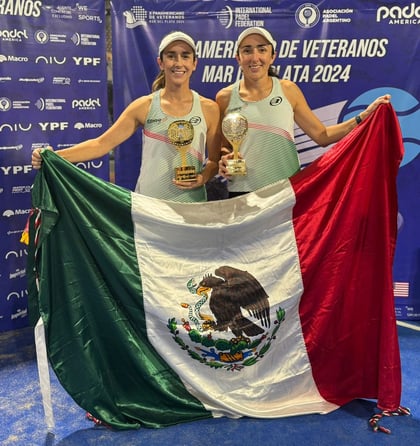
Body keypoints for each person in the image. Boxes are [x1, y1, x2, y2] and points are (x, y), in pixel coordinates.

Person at [32, 31, 221, 203]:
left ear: (194, 63)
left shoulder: (209, 109)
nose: (178, 63)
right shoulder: (144, 106)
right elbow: (101, 144)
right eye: (171, 56)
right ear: (161, 63)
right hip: (150, 206)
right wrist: (53, 156)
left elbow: (213, 161)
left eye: (185, 56)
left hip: (192, 206)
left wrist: (203, 177)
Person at [216, 27, 391, 198]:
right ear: (238, 58)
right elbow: (226, 145)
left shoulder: (288, 90)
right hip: (242, 191)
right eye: (247, 51)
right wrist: (225, 158)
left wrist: (363, 117)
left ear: (272, 56)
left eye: (262, 49)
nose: (255, 57)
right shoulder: (224, 97)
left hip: (285, 192)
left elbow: (322, 135)